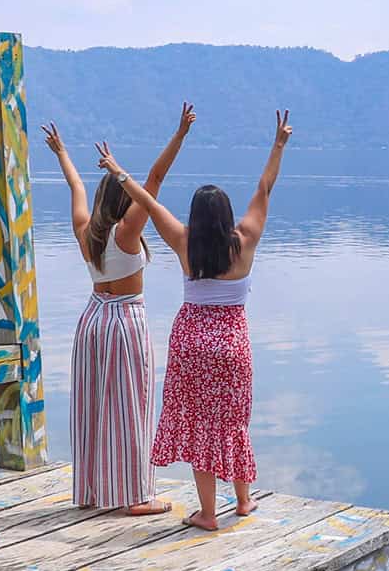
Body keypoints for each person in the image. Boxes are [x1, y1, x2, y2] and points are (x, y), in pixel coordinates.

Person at [94, 109, 292, 531]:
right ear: (226, 215)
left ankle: (207, 514)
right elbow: (265, 187)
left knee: (201, 422)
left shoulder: (183, 241)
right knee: (233, 420)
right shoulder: (245, 241)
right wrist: (278, 145)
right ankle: (242, 501)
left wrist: (118, 172)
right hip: (232, 343)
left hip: (190, 341)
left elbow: (148, 200)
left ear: (196, 217)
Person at [42, 103, 195, 515]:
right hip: (125, 320)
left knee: (94, 404)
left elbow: (75, 188)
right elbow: (157, 178)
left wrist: (61, 153)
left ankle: (94, 490)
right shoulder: (128, 234)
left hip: (92, 320)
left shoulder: (86, 233)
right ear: (125, 198)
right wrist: (179, 134)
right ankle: (136, 496)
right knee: (132, 405)